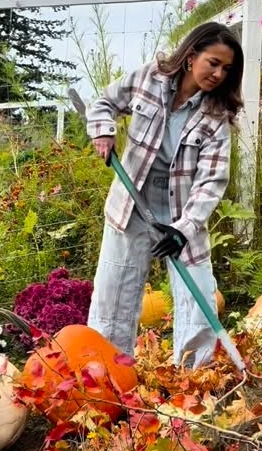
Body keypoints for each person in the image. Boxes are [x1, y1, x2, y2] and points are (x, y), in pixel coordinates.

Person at [85, 21, 243, 366]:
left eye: (226, 69)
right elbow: (104, 102)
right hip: (131, 205)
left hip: (182, 213)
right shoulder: (149, 78)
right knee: (114, 296)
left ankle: (194, 376)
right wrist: (103, 132)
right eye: (213, 63)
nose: (218, 74)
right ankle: (110, 372)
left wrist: (183, 230)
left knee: (198, 295)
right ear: (191, 56)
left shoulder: (217, 116)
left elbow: (211, 182)